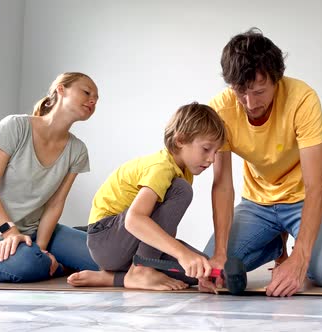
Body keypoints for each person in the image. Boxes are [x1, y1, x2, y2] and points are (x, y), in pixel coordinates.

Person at [201, 28, 322, 297]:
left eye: (259, 91)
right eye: (240, 91)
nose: (249, 102)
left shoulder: (302, 99)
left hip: (303, 198)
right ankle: (274, 246)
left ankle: (294, 248)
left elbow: (315, 184)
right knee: (212, 267)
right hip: (256, 204)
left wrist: (300, 258)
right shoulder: (220, 109)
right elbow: (222, 185)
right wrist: (220, 253)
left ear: (276, 80)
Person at [67, 102, 225, 290]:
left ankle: (115, 278)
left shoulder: (184, 172)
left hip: (129, 247)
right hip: (107, 239)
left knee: (201, 269)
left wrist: (189, 259)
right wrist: (182, 254)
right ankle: (141, 270)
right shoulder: (162, 168)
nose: (212, 159)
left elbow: (163, 227)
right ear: (180, 140)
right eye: (206, 149)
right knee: (181, 191)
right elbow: (134, 220)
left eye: (216, 152)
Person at [0, 72, 100, 282]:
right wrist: (9, 233)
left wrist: (43, 249)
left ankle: (50, 256)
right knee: (27, 263)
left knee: (107, 260)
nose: (92, 100)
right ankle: (54, 261)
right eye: (86, 92)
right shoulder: (15, 126)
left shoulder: (77, 150)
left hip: (41, 235)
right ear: (61, 89)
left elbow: (55, 204)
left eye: (96, 98)